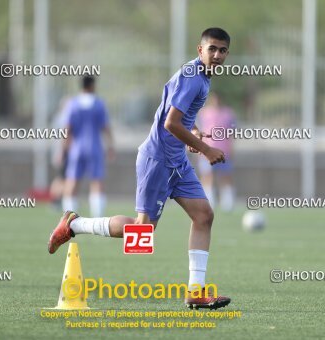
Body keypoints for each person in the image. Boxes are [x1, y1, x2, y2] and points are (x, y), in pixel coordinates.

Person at [48, 28, 232, 309]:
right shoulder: (193, 78)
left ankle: (196, 292)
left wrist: (193, 133)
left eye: (222, 50)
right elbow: (169, 123)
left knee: (204, 216)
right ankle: (74, 224)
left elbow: (178, 117)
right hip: (157, 160)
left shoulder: (199, 76)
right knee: (141, 231)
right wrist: (205, 149)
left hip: (177, 161)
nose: (217, 55)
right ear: (200, 50)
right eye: (212, 49)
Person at [61, 76, 114, 217]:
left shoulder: (73, 104)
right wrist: (110, 146)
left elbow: (67, 129)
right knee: (97, 182)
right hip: (94, 147)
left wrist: (62, 150)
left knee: (72, 181)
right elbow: (106, 127)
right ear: (92, 86)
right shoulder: (98, 104)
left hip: (76, 149)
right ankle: (97, 218)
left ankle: (69, 218)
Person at [197, 92, 236, 211]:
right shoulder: (204, 113)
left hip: (223, 151)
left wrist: (231, 149)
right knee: (207, 176)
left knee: (225, 176)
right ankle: (209, 202)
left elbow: (232, 133)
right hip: (207, 151)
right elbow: (199, 131)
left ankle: (227, 203)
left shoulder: (228, 113)